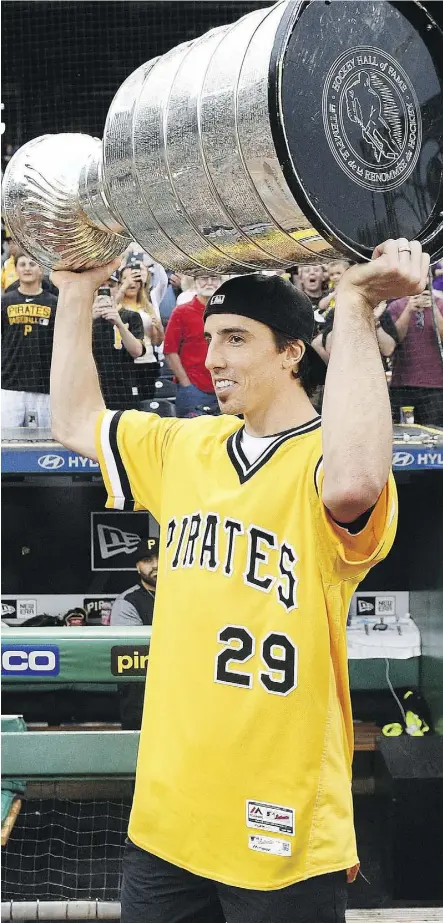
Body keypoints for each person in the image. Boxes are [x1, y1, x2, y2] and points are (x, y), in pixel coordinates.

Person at [50, 238, 428, 923]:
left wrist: (352, 302)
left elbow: (355, 480)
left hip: (279, 821)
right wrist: (77, 292)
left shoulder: (327, 456)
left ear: (291, 351)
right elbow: (74, 421)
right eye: (209, 338)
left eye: (235, 338)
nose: (212, 357)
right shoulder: (185, 445)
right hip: (171, 813)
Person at [2, 254, 57, 428]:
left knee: (43, 441)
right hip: (10, 384)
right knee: (6, 441)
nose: (27, 268)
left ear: (41, 269)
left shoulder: (54, 303)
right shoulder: (4, 302)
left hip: (42, 384)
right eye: (22, 264)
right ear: (16, 269)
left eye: (32, 264)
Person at [111, 539, 159, 730]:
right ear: (137, 567)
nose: (155, 565)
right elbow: (133, 656)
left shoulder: (186, 596)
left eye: (160, 558)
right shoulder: (128, 602)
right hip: (143, 692)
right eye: (147, 560)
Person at [163, 275, 220, 417]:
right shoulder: (181, 312)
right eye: (204, 278)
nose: (209, 283)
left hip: (223, 386)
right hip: (193, 389)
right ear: (195, 282)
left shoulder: (228, 313)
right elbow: (170, 351)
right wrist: (186, 383)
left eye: (214, 278)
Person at [387, 288, 443, 426]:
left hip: (436, 385)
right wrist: (408, 310)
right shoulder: (396, 306)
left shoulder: (440, 304)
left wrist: (434, 309)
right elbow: (394, 339)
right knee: (404, 433)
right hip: (402, 384)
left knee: (435, 435)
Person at [116, 263, 164, 402]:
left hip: (148, 362)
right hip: (123, 364)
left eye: (136, 279)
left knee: (147, 403)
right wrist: (124, 286)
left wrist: (159, 328)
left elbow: (157, 341)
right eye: (126, 279)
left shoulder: (147, 306)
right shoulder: (116, 305)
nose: (132, 283)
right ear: (120, 283)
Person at [92, 287, 145, 410]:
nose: (105, 289)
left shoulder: (131, 316)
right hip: (93, 387)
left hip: (123, 386)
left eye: (111, 285)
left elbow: (137, 351)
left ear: (119, 288)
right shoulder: (84, 318)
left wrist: (119, 323)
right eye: (100, 285)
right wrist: (90, 319)